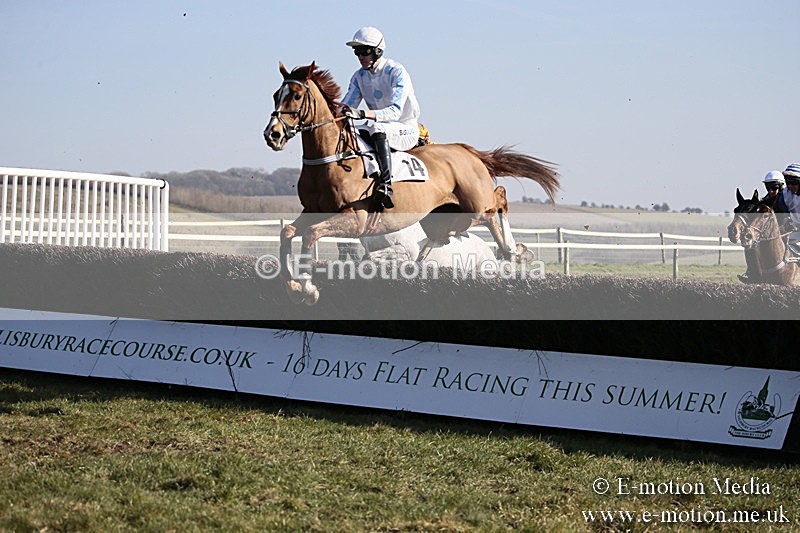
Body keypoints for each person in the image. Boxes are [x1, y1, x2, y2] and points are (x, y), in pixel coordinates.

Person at [341, 26, 421, 209]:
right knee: (351, 131)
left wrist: (363, 114)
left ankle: (386, 185)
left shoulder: (396, 71)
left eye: (364, 52)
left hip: (405, 127)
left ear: (377, 51)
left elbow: (395, 112)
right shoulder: (358, 77)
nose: (360, 56)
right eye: (357, 52)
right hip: (380, 128)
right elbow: (345, 107)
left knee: (377, 127)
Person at [782, 163, 800, 250]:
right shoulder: (785, 194)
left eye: (794, 183)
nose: (790, 186)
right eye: (788, 183)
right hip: (795, 231)